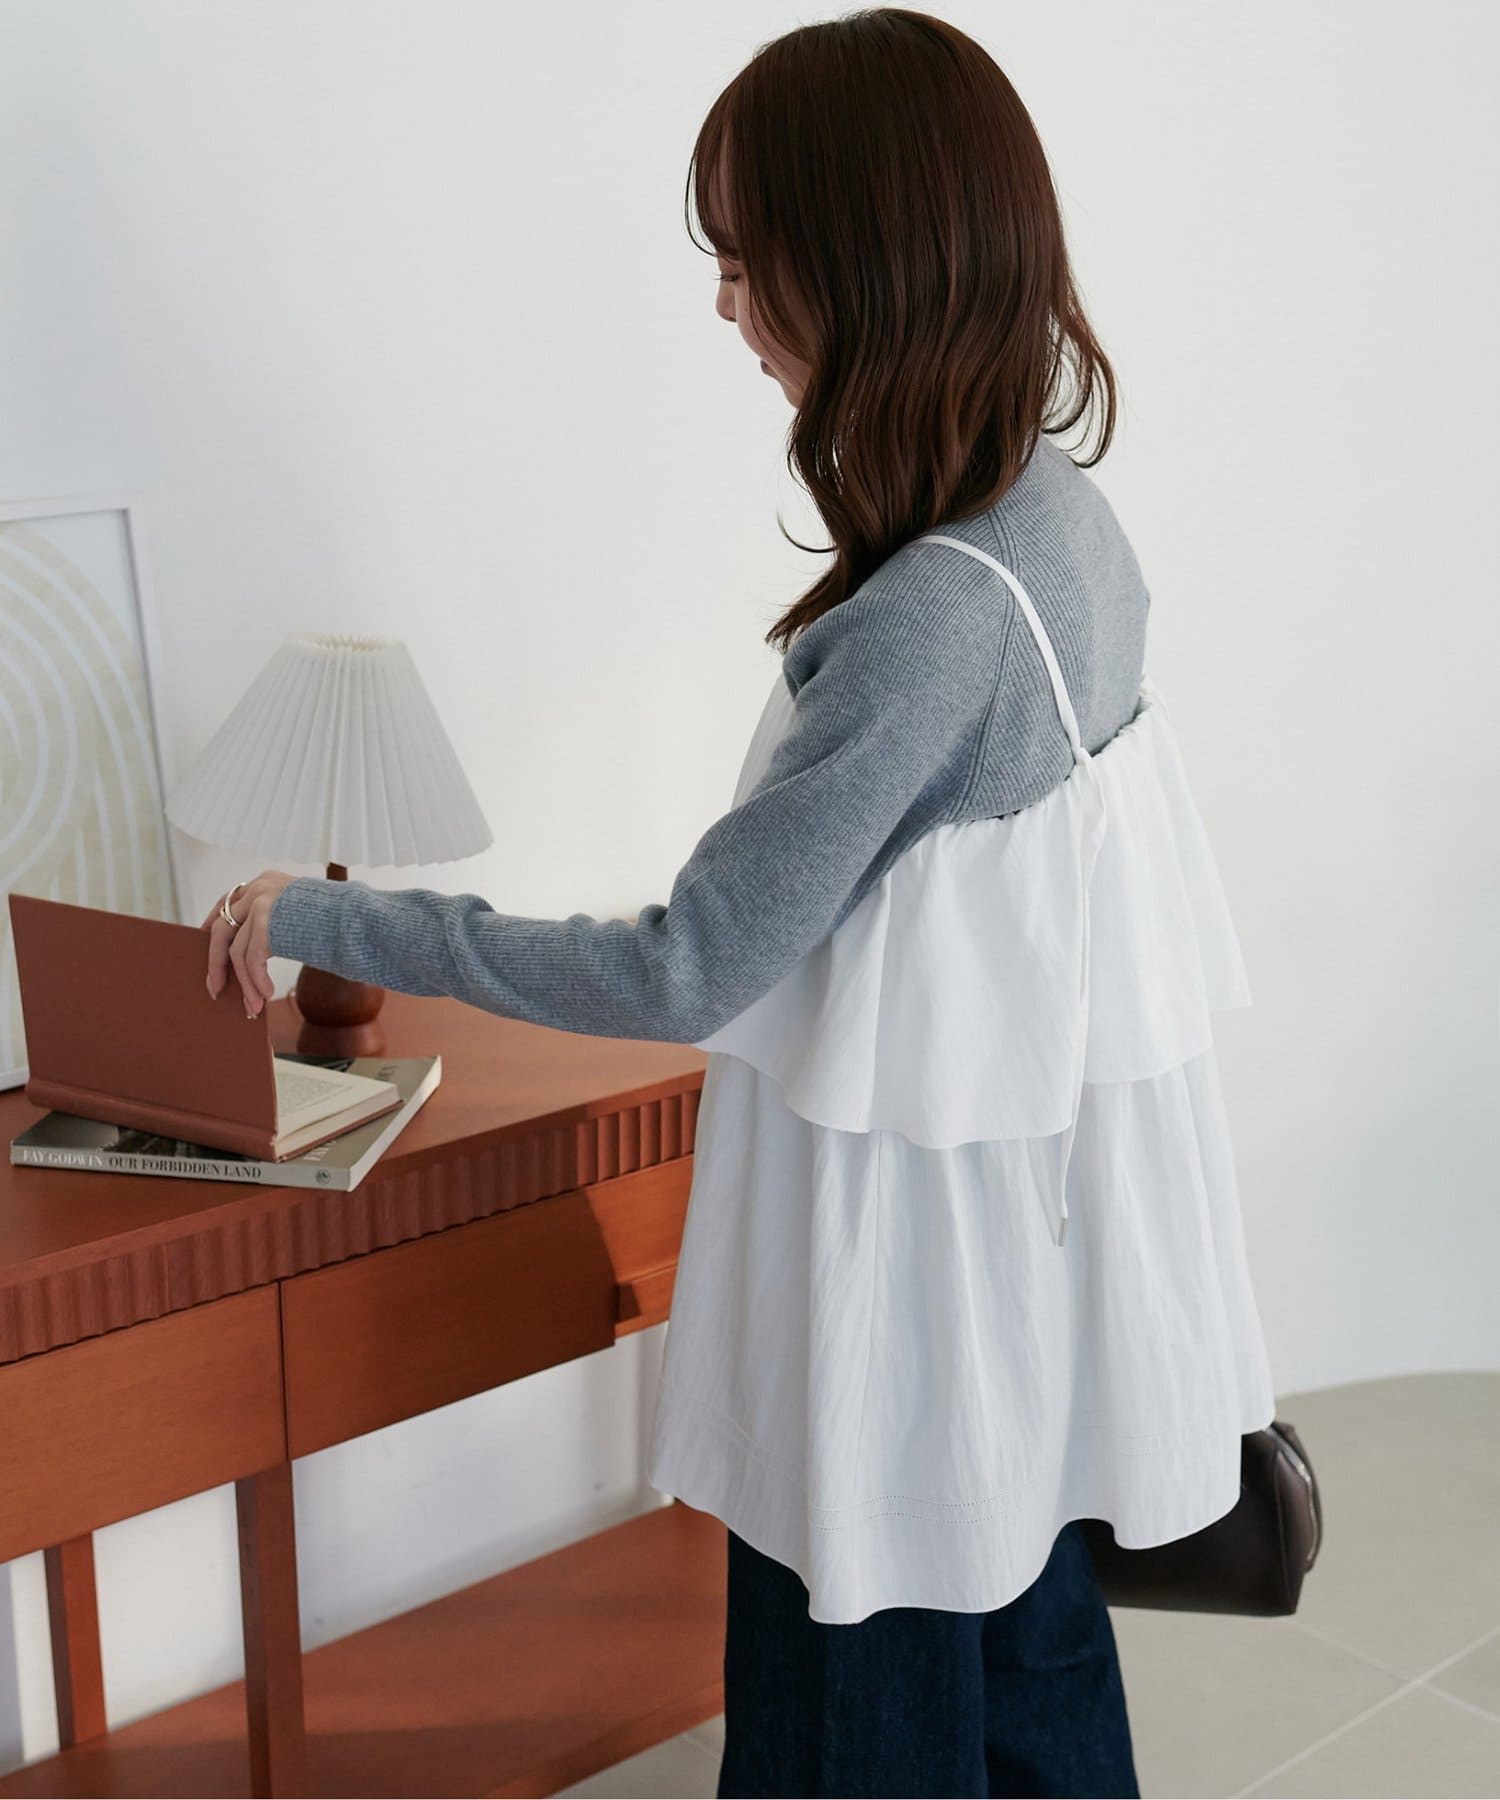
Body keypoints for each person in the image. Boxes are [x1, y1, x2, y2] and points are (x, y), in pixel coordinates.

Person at [205, 8, 1277, 1795]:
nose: (724, 307)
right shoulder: (1058, 518)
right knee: (1025, 1659)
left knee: (860, 1718)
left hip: (896, 1305)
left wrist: (329, 917)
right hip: (1004, 1271)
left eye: (745, 255)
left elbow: (688, 965)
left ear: (866, 260)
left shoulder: (936, 619)